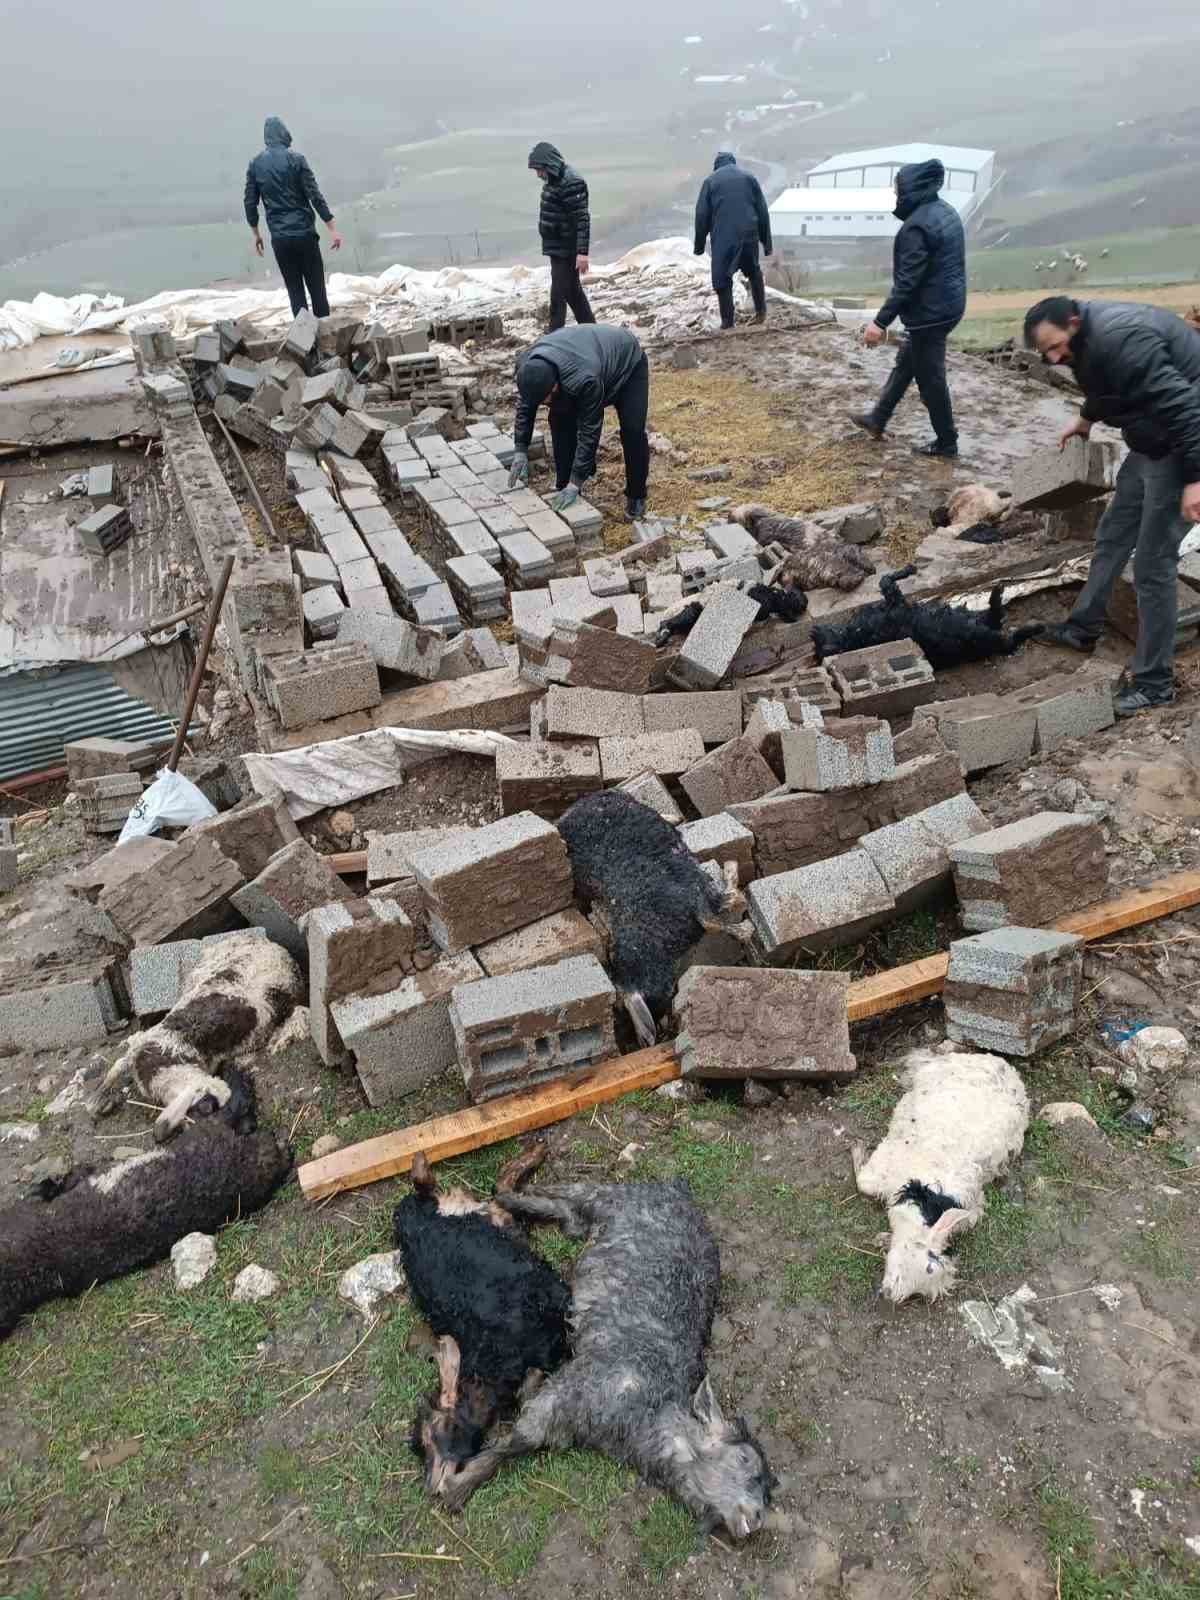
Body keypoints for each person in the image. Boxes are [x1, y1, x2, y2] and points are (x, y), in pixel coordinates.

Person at [1023, 295, 1200, 717]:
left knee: (1153, 567)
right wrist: (1085, 419)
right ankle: (1083, 626)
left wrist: (1195, 479)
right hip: (1151, 438)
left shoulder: (1121, 337)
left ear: (1071, 321)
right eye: (1045, 352)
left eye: (1054, 346)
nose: (1053, 357)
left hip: (1182, 441)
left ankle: (1155, 683)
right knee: (1113, 534)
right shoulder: (1085, 339)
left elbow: (1185, 407)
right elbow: (1105, 382)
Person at [850, 158, 966, 458]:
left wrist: (879, 322)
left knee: (931, 380)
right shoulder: (945, 211)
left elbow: (907, 283)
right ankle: (878, 418)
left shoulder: (916, 227)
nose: (895, 195)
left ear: (911, 190)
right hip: (948, 304)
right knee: (907, 362)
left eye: (898, 190)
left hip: (931, 313)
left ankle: (947, 442)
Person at [508, 324, 650, 522]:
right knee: (559, 419)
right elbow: (525, 406)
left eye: (544, 400)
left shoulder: (585, 379)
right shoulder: (528, 368)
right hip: (587, 355)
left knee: (632, 431)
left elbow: (589, 430)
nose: (542, 404)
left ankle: (636, 495)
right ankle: (563, 483)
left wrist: (577, 481)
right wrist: (521, 449)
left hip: (627, 364)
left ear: (555, 385)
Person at [244, 116, 342, 318]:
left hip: (280, 239)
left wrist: (256, 234)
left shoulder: (255, 165)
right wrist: (332, 228)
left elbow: (249, 202)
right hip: (305, 234)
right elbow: (314, 195)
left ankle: (305, 343)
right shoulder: (297, 160)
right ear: (283, 133)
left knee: (295, 292)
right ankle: (327, 340)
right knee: (317, 290)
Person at [693, 151, 773, 331]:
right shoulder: (749, 178)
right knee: (753, 271)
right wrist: (766, 244)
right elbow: (762, 211)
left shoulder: (711, 181)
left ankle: (728, 323)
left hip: (724, 237)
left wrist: (699, 246)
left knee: (722, 277)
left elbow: (701, 215)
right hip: (749, 234)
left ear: (716, 166)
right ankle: (761, 312)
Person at [528, 141, 594, 332]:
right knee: (572, 293)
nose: (538, 174)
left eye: (540, 169)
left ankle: (554, 336)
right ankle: (592, 331)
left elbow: (582, 219)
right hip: (557, 248)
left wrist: (582, 253)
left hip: (567, 249)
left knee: (558, 296)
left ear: (549, 165)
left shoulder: (571, 182)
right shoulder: (554, 180)